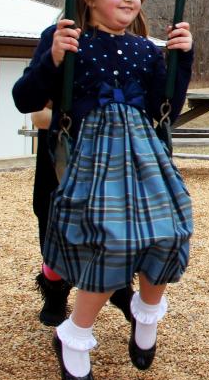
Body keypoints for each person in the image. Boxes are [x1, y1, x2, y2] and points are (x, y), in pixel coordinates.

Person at [13, 0, 194, 380]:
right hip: (88, 157)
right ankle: (74, 336)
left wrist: (182, 59)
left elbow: (165, 109)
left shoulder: (145, 49)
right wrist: (53, 59)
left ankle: (146, 314)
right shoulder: (66, 38)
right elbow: (24, 98)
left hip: (142, 156)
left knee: (172, 230)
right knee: (109, 242)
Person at [27, 102, 133, 329]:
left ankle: (120, 288)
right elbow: (38, 116)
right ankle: (56, 291)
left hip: (109, 154)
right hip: (61, 152)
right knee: (55, 224)